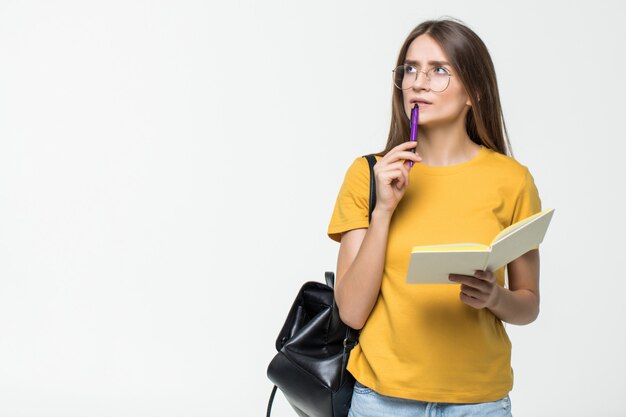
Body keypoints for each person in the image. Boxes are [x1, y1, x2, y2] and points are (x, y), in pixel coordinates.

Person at [327, 18, 542, 417]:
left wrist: (495, 297)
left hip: (479, 403)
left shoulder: (513, 181)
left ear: (474, 92)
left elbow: (528, 305)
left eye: (439, 70)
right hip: (382, 401)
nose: (419, 82)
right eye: (410, 69)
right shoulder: (369, 174)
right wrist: (385, 210)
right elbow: (352, 311)